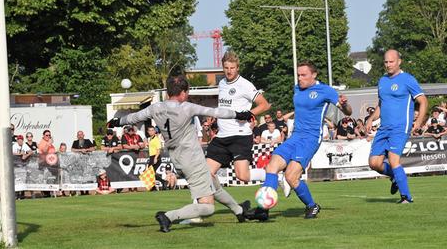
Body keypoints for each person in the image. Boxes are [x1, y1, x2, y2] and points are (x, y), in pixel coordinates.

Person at [107, 75, 252, 233]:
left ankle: (239, 211)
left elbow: (134, 117)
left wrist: (116, 122)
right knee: (208, 207)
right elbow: (216, 111)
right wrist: (240, 115)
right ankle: (168, 216)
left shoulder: (155, 108)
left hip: (176, 158)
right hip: (192, 159)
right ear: (183, 93)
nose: (187, 95)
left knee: (213, 183)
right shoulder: (187, 107)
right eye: (187, 92)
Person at [246, 61, 352, 221]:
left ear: (314, 75)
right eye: (298, 75)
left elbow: (348, 112)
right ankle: (263, 210)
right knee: (271, 166)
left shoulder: (325, 90)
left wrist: (345, 105)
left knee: (291, 176)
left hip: (310, 139)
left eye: (303, 75)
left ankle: (312, 206)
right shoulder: (297, 88)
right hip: (295, 136)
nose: (300, 78)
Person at [365, 49, 428, 204]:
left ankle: (406, 197)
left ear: (399, 61)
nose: (388, 65)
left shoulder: (407, 79)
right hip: (383, 128)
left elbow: (423, 101)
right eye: (386, 62)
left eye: (391, 61)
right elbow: (381, 104)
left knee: (393, 160)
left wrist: (418, 121)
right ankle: (394, 176)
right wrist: (371, 119)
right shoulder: (382, 81)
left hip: (400, 127)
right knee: (374, 163)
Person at [206, 51, 271, 184]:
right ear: (223, 67)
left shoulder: (245, 85)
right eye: (226, 68)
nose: (229, 71)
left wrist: (249, 114)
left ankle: (275, 177)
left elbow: (264, 105)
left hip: (240, 136)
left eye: (232, 68)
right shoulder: (222, 83)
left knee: (242, 176)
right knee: (206, 174)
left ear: (237, 68)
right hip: (222, 136)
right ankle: (202, 204)